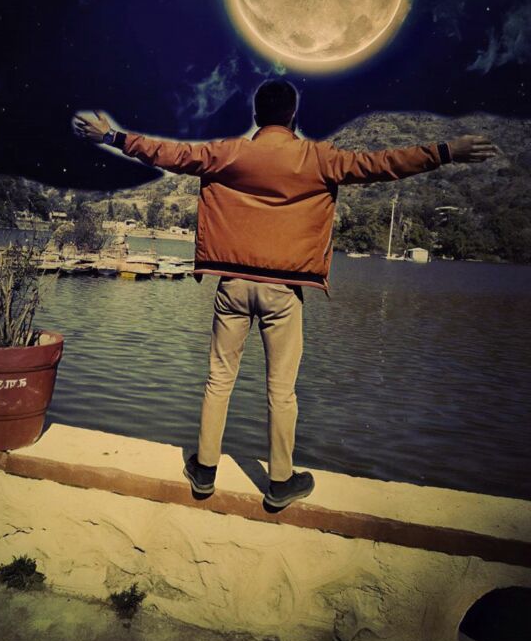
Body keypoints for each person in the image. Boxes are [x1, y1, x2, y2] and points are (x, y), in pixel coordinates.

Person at [72, 80, 497, 509]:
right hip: (284, 291)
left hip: (233, 285)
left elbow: (168, 153)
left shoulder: (229, 153)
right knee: (281, 388)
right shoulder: (319, 158)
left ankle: (204, 471)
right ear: (293, 116)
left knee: (220, 379)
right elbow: (384, 164)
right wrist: (447, 151)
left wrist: (111, 136)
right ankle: (279, 482)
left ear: (256, 115)